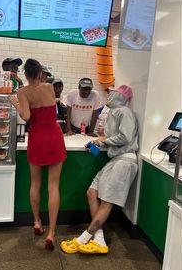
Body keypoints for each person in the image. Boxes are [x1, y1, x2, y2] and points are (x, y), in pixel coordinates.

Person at [61, 85, 139, 254]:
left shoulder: (124, 112)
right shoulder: (113, 112)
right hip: (115, 160)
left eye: (112, 93)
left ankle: (84, 238)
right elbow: (111, 141)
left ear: (120, 95)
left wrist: (103, 140)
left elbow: (125, 137)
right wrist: (96, 146)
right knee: (91, 192)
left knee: (106, 202)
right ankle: (99, 239)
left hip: (125, 161)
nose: (108, 95)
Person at [10, 58, 66, 250]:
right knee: (53, 187)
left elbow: (26, 116)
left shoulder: (22, 92)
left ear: (25, 74)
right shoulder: (50, 88)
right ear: (41, 73)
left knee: (35, 184)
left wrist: (15, 102)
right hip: (54, 136)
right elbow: (39, 88)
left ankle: (36, 222)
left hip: (37, 137)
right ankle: (51, 233)